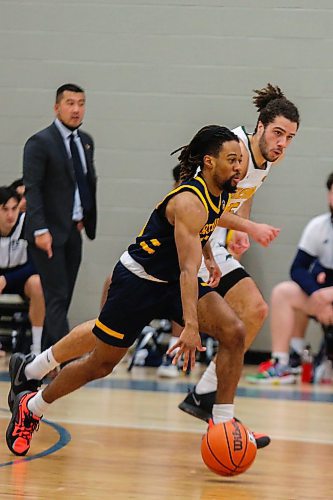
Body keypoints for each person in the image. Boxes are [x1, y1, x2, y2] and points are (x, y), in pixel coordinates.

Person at [7, 125, 274, 457]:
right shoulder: (189, 200)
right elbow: (188, 269)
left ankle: (222, 422)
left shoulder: (219, 190)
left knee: (234, 331)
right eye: (232, 160)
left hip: (173, 283)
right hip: (139, 282)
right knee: (100, 364)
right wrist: (190, 327)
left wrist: (209, 253)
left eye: (240, 160)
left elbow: (210, 222)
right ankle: (31, 407)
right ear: (208, 161)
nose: (239, 167)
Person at [177, 83, 300, 421]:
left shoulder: (267, 158)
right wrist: (251, 228)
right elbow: (202, 206)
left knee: (255, 309)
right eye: (277, 133)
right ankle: (42, 364)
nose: (282, 143)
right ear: (259, 125)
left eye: (289, 137)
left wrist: (239, 228)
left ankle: (206, 393)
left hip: (213, 241)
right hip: (189, 240)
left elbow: (244, 193)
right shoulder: (235, 151)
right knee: (107, 348)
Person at [23, 83, 97, 350]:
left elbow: (83, 184)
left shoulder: (85, 141)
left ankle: (44, 356)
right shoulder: (40, 142)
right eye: (70, 103)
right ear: (57, 108)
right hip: (48, 234)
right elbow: (33, 189)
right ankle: (65, 358)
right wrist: (40, 230)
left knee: (64, 298)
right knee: (56, 296)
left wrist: (83, 216)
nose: (76, 109)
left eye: (81, 103)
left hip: (73, 230)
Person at [247, 172, 333, 384]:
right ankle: (284, 362)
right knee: (284, 292)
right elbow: (298, 269)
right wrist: (318, 295)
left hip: (328, 294)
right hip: (324, 298)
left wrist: (327, 293)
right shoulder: (319, 226)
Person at [0, 186, 45, 355]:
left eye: (14, 209)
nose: (11, 215)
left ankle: (37, 347)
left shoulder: (28, 223)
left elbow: (36, 265)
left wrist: (7, 279)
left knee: (38, 284)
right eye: (5, 210)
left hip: (20, 279)